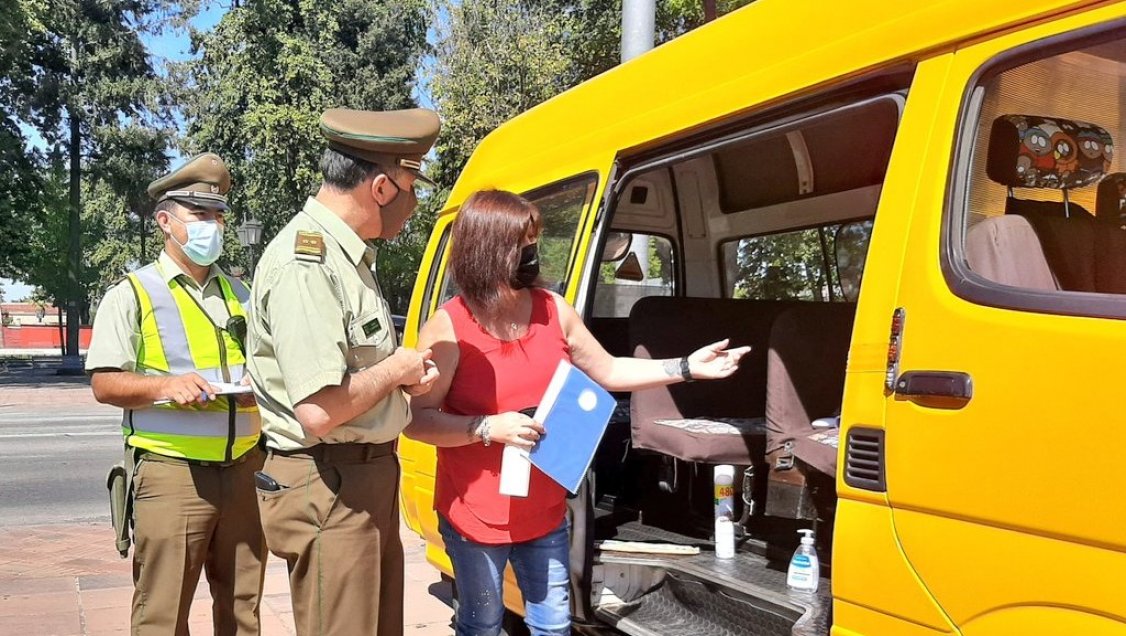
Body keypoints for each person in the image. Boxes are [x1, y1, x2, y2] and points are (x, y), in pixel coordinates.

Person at [404, 190, 751, 636]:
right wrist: (485, 427)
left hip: (545, 509)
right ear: (488, 249)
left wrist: (685, 367)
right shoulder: (449, 325)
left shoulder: (553, 310)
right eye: (523, 244)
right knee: (482, 624)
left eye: (534, 241)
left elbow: (609, 369)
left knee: (554, 626)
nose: (533, 253)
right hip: (476, 516)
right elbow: (417, 419)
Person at [245, 107, 441, 636]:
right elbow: (317, 410)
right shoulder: (306, 264)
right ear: (381, 187)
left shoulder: (346, 258)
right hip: (329, 481)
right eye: (411, 188)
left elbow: (351, 375)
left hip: (356, 478)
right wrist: (396, 369)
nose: (414, 205)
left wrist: (399, 379)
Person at [86, 152, 265, 635]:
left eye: (218, 215)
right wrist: (166, 386)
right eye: (200, 214)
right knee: (162, 614)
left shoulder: (242, 294)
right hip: (172, 473)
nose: (213, 226)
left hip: (244, 469)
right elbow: (104, 382)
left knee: (243, 610)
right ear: (165, 222)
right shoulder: (133, 292)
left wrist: (260, 388)